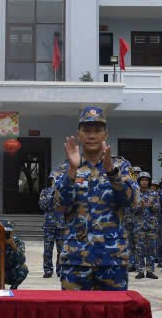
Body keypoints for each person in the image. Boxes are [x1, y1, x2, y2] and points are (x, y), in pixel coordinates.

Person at [52, 105, 138, 291]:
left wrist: (111, 172)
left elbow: (132, 201)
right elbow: (59, 205)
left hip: (112, 260)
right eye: (87, 130)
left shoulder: (121, 166)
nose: (92, 135)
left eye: (97, 130)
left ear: (105, 134)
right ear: (79, 134)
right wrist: (72, 172)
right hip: (75, 260)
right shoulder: (65, 168)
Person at [0, 221, 29, 290]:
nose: (6, 234)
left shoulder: (18, 242)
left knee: (24, 268)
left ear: (12, 232)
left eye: (9, 232)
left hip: (11, 273)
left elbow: (22, 260)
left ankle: (14, 288)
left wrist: (13, 245)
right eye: (4, 232)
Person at [135, 172, 159, 280]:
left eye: (146, 180)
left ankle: (150, 270)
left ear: (148, 181)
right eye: (142, 180)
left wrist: (152, 205)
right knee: (139, 249)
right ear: (139, 181)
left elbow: (158, 210)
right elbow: (132, 210)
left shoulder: (154, 194)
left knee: (151, 249)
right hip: (139, 225)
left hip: (151, 225)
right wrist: (140, 206)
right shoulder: (135, 193)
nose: (144, 182)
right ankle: (140, 270)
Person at [38, 173, 63, 279]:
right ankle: (48, 270)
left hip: (62, 225)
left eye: (57, 179)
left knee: (61, 250)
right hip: (49, 224)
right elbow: (43, 206)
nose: (55, 181)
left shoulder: (65, 191)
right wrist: (53, 194)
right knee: (48, 249)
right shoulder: (45, 191)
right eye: (53, 179)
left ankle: (60, 270)